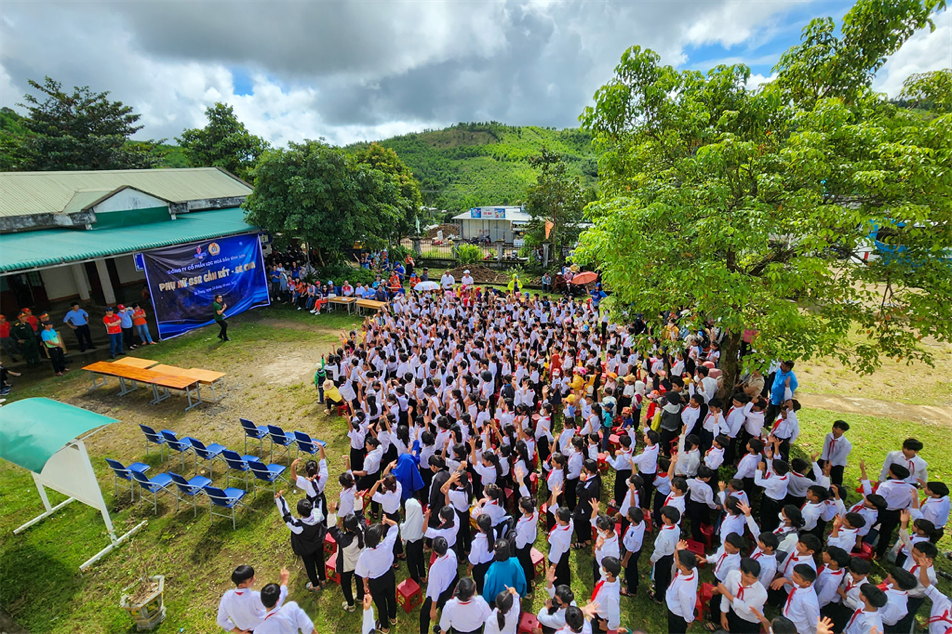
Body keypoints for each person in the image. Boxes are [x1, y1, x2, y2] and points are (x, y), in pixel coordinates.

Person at [355, 516, 400, 634]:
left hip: (376, 582)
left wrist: (365, 585)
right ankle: (393, 618)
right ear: (379, 538)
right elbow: (395, 526)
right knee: (391, 597)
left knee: (381, 605)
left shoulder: (364, 556)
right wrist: (386, 520)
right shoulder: (387, 544)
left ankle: (385, 627)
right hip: (389, 575)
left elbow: (363, 574)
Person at [275, 490, 326, 591]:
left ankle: (315, 586)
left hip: (306, 549)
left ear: (299, 513)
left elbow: (287, 516)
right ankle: (323, 580)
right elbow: (318, 501)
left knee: (310, 566)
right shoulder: (318, 515)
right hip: (318, 544)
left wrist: (280, 499)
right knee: (320, 561)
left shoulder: (298, 526)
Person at [216, 564, 289, 633]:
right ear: (241, 585)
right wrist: (284, 582)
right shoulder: (254, 597)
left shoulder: (227, 596)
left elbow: (221, 620)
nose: (255, 579)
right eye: (251, 579)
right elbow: (274, 604)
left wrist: (239, 632)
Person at [326, 500, 366, 612]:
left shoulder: (342, 540)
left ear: (346, 528)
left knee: (346, 585)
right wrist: (358, 500)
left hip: (346, 566)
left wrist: (332, 512)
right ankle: (359, 598)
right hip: (360, 563)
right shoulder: (362, 529)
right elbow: (360, 514)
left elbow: (331, 527)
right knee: (359, 580)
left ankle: (350, 605)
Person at [421, 536, 458, 634]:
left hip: (438, 594)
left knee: (424, 616)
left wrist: (433, 609)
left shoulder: (435, 569)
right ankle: (445, 630)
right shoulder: (452, 553)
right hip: (449, 588)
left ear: (435, 552)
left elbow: (435, 590)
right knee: (445, 612)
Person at [666, 543, 699, 634]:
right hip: (675, 606)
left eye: (677, 560)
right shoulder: (693, 570)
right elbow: (676, 559)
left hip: (677, 614)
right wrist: (678, 549)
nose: (675, 559)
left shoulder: (683, 590)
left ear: (683, 567)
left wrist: (689, 620)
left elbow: (686, 608)